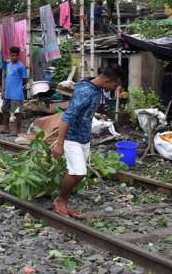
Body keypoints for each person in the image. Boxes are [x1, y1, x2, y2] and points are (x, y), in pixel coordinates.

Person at [52, 65, 124, 219]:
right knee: (79, 172)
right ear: (106, 80)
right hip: (72, 138)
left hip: (84, 137)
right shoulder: (85, 91)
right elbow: (66, 117)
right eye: (115, 85)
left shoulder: (96, 88)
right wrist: (59, 144)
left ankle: (63, 200)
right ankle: (60, 201)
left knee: (78, 173)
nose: (115, 88)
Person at [1, 46, 27, 135]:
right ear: (10, 55)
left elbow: (24, 80)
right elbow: (7, 79)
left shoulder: (21, 67)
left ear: (18, 56)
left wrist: (17, 87)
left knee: (17, 112)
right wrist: (3, 91)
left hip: (16, 94)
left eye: (15, 56)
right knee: (4, 110)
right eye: (12, 55)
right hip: (7, 93)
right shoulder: (8, 65)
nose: (14, 57)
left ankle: (17, 130)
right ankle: (6, 128)